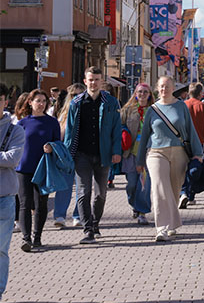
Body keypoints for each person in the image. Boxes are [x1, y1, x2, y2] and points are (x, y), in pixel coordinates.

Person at [136, 76, 203, 242]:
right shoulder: (152, 110)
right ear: (157, 89)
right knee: (159, 187)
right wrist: (139, 161)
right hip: (156, 152)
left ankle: (172, 223)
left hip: (179, 152)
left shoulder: (181, 106)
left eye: (167, 86)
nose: (164, 89)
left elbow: (190, 130)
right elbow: (144, 136)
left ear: (173, 88)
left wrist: (198, 153)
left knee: (173, 189)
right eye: (161, 86)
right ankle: (162, 228)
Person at [63, 66, 123, 244]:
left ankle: (96, 223)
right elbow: (69, 131)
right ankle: (87, 229)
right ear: (85, 81)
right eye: (90, 79)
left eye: (96, 79)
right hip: (81, 154)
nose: (93, 83)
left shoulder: (110, 102)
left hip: (103, 154)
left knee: (100, 194)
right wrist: (67, 154)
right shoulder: (77, 103)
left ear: (101, 81)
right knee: (83, 192)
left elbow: (116, 129)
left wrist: (116, 151)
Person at [15, 90, 60, 252]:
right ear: (30, 102)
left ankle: (37, 237)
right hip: (23, 168)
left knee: (41, 204)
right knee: (24, 204)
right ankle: (26, 238)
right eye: (37, 100)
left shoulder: (52, 122)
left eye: (43, 101)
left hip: (43, 168)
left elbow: (59, 144)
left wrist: (51, 147)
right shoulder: (22, 123)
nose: (41, 104)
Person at [0, 93, 25, 303]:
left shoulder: (14, 130)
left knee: (0, 249)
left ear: (5, 101)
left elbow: (13, 158)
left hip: (4, 197)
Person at [180, 83, 204, 208]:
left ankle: (185, 194)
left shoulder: (181, 106)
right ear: (201, 94)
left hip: (182, 142)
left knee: (183, 168)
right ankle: (188, 194)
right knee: (195, 167)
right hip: (199, 143)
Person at [120, 83, 154, 226]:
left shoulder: (154, 110)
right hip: (131, 152)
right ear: (135, 94)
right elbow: (119, 126)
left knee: (145, 185)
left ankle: (142, 212)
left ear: (150, 94)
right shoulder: (127, 110)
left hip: (148, 152)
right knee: (132, 184)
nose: (142, 94)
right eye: (140, 92)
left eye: (145, 92)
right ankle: (133, 203)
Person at [51, 82, 83, 228]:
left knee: (81, 187)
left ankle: (78, 215)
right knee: (64, 186)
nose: (77, 97)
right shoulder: (65, 112)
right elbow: (60, 133)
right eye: (74, 95)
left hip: (83, 153)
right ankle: (59, 215)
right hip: (66, 154)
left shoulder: (88, 110)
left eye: (80, 94)